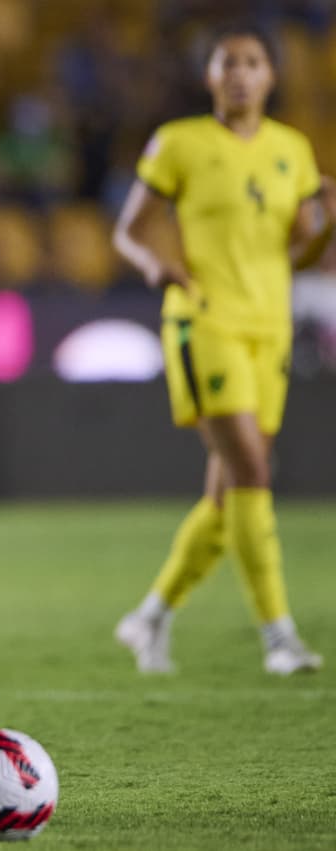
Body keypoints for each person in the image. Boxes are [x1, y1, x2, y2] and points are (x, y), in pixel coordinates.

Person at [111, 22, 330, 675]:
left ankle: (150, 616)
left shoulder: (292, 149)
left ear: (271, 76)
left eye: (252, 62)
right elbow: (128, 231)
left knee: (226, 494)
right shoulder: (180, 143)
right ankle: (279, 637)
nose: (239, 73)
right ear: (208, 76)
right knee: (253, 474)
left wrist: (328, 228)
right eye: (227, 62)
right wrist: (153, 264)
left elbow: (298, 254)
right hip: (204, 322)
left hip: (270, 329)